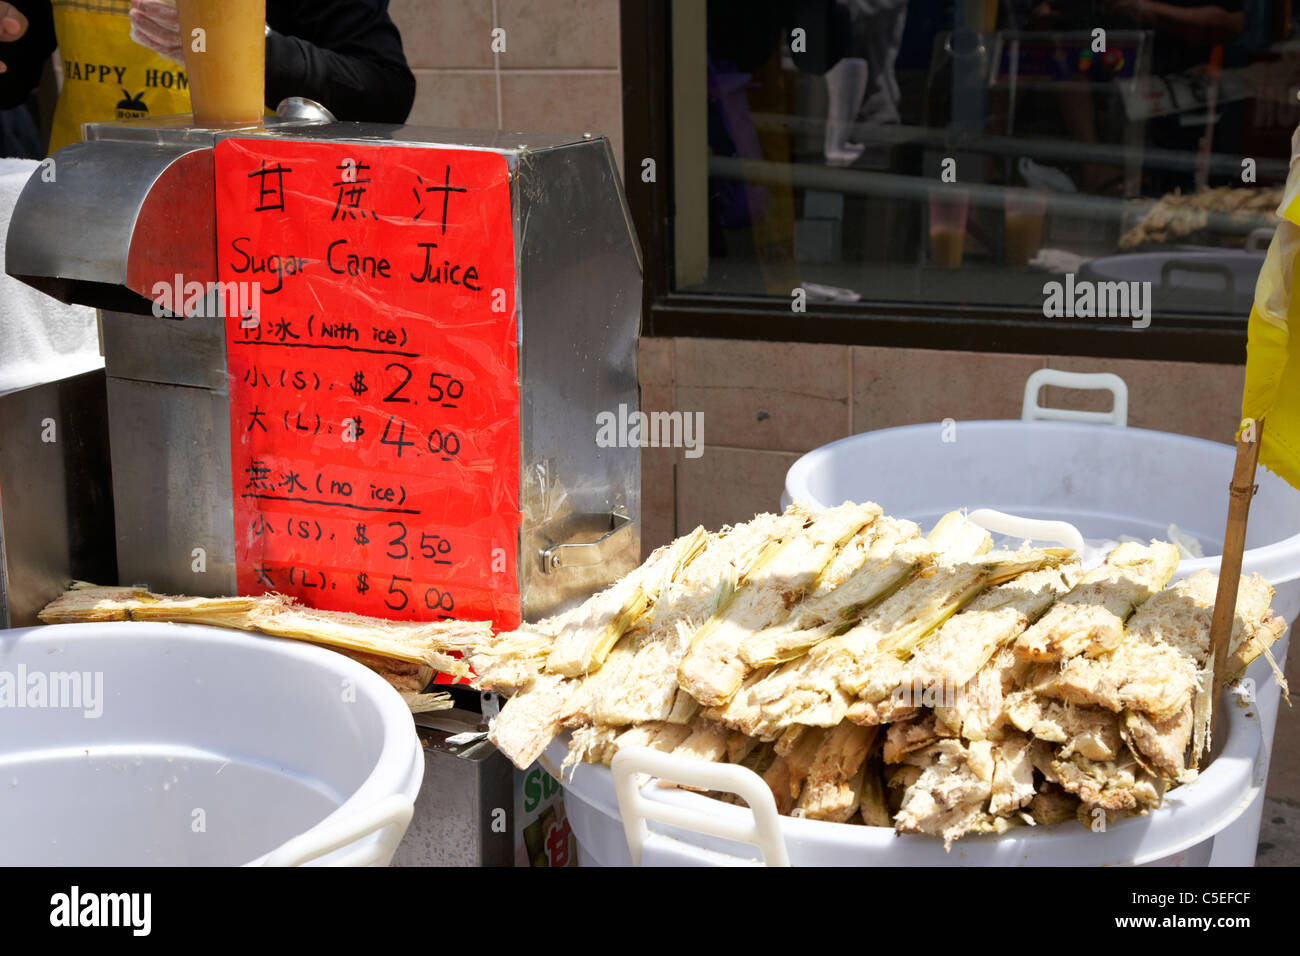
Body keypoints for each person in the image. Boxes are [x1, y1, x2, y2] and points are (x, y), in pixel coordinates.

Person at [0, 0, 414, 153]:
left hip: (249, 228)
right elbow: (15, 73)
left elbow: (383, 90)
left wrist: (240, 48)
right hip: (87, 219)